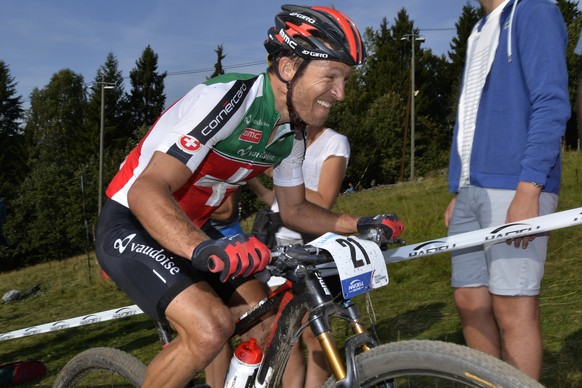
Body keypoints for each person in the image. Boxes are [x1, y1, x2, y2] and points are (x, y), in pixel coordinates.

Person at [95, 5, 404, 388]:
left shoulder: (290, 131)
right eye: (331, 76)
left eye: (345, 80)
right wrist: (203, 249)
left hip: (190, 230)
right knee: (210, 329)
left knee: (268, 325)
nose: (340, 94)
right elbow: (147, 190)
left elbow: (295, 209)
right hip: (133, 220)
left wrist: (358, 224)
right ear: (289, 68)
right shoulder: (229, 99)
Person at [444, 0, 569, 380]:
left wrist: (529, 190)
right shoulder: (480, 28)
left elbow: (551, 103)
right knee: (469, 301)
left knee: (513, 307)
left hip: (517, 186)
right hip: (471, 189)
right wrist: (459, 187)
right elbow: (469, 117)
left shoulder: (535, 10)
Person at [252, 124, 351, 387]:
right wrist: (257, 184)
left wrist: (281, 172)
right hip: (276, 251)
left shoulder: (335, 142)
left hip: (311, 250)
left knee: (315, 334)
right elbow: (279, 200)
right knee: (283, 337)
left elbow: (323, 201)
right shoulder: (285, 140)